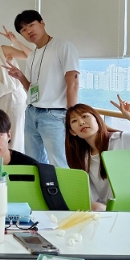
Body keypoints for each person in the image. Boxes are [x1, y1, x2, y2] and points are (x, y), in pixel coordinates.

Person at [5, 10, 80, 167]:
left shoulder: (63, 46)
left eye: (31, 25)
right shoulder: (32, 56)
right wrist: (21, 77)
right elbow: (32, 89)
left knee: (60, 163)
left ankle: (64, 186)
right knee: (34, 163)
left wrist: (72, 115)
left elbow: (73, 82)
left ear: (42, 23)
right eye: (23, 30)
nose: (29, 31)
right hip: (32, 112)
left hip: (55, 114)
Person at [65, 96, 130, 211]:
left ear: (97, 119)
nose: (81, 122)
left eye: (85, 116)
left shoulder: (123, 139)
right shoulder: (82, 159)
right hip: (114, 213)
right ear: (72, 132)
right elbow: (92, 199)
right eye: (74, 121)